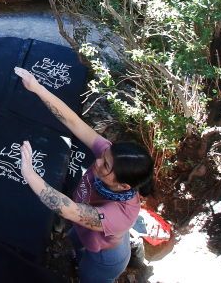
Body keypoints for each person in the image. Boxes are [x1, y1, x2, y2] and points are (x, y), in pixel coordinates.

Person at [16, 69, 154, 283]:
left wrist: (28, 172)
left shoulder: (121, 214)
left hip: (105, 258)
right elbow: (74, 122)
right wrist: (37, 88)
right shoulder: (109, 155)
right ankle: (75, 258)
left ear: (124, 186)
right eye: (104, 156)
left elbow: (69, 210)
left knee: (88, 276)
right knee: (76, 245)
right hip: (86, 232)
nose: (97, 161)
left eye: (105, 165)